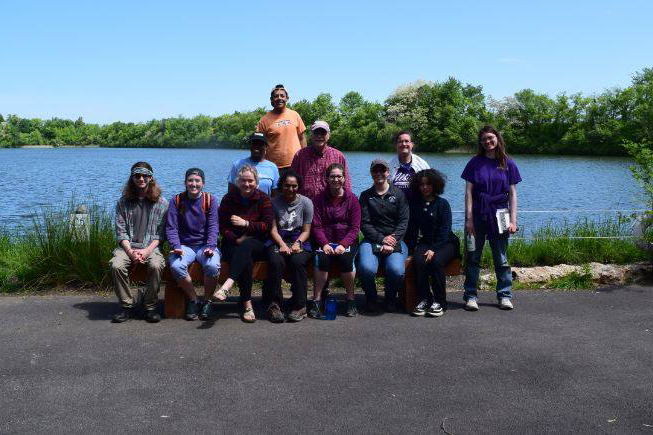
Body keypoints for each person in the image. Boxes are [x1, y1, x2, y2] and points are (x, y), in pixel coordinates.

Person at [461, 125, 522, 311]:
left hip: (501, 214)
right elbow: (468, 193)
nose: (488, 142)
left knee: (501, 258)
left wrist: (513, 221)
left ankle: (504, 295)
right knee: (472, 257)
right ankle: (470, 295)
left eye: (491, 138)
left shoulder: (508, 163)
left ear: (497, 138)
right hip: (478, 214)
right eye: (484, 139)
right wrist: (469, 220)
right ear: (480, 143)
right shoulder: (474, 162)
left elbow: (512, 194)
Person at [110, 162, 168, 323]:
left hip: (151, 247)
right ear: (132, 178)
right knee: (116, 265)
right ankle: (126, 306)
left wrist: (146, 251)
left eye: (145, 175)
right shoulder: (123, 202)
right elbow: (121, 232)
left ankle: (150, 306)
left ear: (151, 178)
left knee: (156, 265)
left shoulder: (162, 203)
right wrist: (131, 252)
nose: (141, 179)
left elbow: (161, 234)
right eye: (137, 176)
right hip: (127, 247)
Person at [215, 165, 273, 323]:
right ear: (237, 182)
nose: (246, 184)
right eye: (243, 180)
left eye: (250, 180)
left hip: (257, 243)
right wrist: (236, 239)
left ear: (256, 182)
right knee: (244, 255)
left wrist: (246, 224)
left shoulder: (264, 199)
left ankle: (228, 285)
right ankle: (248, 304)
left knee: (247, 247)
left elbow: (267, 226)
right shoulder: (228, 199)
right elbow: (223, 227)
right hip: (232, 244)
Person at [166, 168, 220, 321]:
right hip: (184, 246)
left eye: (197, 181)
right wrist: (176, 245)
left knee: (212, 265)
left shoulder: (210, 200)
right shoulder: (176, 200)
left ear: (203, 183)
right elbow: (171, 227)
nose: (193, 184)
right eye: (190, 180)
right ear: (185, 183)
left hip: (205, 245)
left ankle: (208, 301)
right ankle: (194, 299)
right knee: (176, 266)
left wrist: (210, 246)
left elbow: (213, 226)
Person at [406, 169, 460, 317]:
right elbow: (413, 229)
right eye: (422, 185)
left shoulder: (443, 204)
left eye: (428, 184)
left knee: (435, 261)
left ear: (435, 185)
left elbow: (444, 231)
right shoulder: (415, 205)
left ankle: (440, 302)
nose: (424, 187)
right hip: (427, 241)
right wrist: (410, 250)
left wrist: (433, 249)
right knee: (419, 260)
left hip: (447, 243)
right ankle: (424, 298)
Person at [309, 163, 361, 318]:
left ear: (344, 179)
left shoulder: (352, 199)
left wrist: (343, 245)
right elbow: (316, 226)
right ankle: (317, 301)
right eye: (332, 176)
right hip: (325, 241)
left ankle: (351, 300)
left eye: (339, 176)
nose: (336, 179)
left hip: (346, 241)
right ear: (326, 179)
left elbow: (355, 228)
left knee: (346, 260)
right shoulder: (318, 200)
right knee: (321, 259)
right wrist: (324, 243)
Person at [358, 159, 409, 313]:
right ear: (371, 173)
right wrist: (381, 239)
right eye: (375, 170)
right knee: (366, 269)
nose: (379, 173)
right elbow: (364, 224)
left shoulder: (399, 194)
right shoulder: (365, 196)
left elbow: (404, 221)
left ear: (388, 172)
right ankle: (371, 298)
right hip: (372, 240)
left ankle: (390, 298)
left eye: (382, 170)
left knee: (396, 270)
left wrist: (392, 240)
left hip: (396, 240)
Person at [266, 169, 314, 322]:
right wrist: (281, 245)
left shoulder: (306, 202)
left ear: (298, 186)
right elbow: (273, 229)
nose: (290, 189)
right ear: (281, 185)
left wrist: (297, 243)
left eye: (294, 186)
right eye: (287, 185)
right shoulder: (273, 203)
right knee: (275, 261)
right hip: (278, 237)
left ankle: (300, 305)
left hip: (298, 237)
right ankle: (274, 304)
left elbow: (307, 230)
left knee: (297, 261)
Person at [290, 120, 352, 201]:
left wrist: (348, 202)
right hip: (304, 204)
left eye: (323, 133)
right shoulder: (300, 155)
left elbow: (346, 184)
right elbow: (291, 180)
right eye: (316, 133)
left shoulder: (338, 156)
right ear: (311, 135)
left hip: (330, 204)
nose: (319, 136)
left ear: (329, 135)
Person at [256, 84, 307, 169]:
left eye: (282, 96)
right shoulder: (264, 120)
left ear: (287, 98)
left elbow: (302, 138)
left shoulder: (295, 115)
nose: (279, 98)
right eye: (276, 96)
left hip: (296, 164)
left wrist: (305, 158)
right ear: (271, 99)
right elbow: (259, 145)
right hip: (273, 167)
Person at [227, 132, 279, 196]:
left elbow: (275, 194)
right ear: (250, 146)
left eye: (260, 144)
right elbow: (231, 191)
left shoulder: (272, 167)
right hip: (241, 205)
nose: (256, 146)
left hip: (265, 205)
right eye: (254, 143)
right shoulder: (237, 164)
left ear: (266, 147)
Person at [388, 130, 430, 199]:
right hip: (395, 207)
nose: (404, 144)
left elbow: (430, 187)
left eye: (407, 141)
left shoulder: (422, 165)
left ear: (412, 144)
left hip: (417, 206)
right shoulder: (388, 165)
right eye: (400, 141)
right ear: (396, 145)